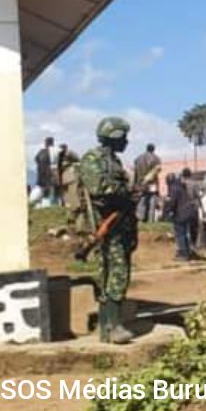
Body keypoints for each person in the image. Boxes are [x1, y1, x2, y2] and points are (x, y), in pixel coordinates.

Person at [76, 118, 139, 344]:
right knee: (116, 274)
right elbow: (98, 190)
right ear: (113, 137)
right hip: (106, 226)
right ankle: (112, 326)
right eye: (123, 137)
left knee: (115, 273)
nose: (126, 141)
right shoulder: (94, 160)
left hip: (118, 226)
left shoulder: (113, 161)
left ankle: (110, 327)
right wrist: (126, 192)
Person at [164, 170, 198, 261]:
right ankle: (188, 252)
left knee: (180, 234)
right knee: (185, 233)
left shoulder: (173, 188)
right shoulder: (181, 187)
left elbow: (171, 202)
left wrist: (166, 213)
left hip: (181, 213)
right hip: (190, 212)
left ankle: (183, 253)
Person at [132, 144, 162, 222]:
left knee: (141, 200)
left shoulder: (138, 158)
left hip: (140, 183)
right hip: (152, 183)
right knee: (152, 201)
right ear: (153, 149)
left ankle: (140, 219)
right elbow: (157, 171)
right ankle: (150, 220)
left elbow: (135, 172)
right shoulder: (156, 158)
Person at [34, 137, 56, 206]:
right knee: (49, 194)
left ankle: (40, 206)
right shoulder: (53, 152)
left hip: (41, 176)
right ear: (52, 143)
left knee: (42, 193)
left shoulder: (41, 151)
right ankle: (47, 207)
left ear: (45, 143)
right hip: (49, 176)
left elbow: (36, 159)